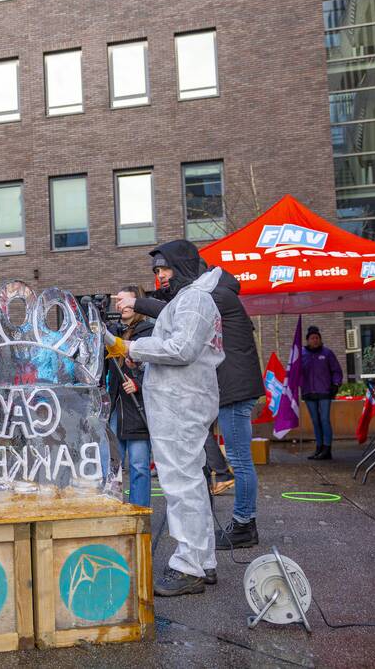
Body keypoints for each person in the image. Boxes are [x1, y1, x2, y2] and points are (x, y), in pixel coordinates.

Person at [124, 248, 265, 550]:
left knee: (239, 459)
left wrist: (136, 304)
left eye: (164, 269)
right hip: (230, 386)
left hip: (233, 388)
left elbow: (180, 330)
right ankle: (238, 523)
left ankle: (244, 522)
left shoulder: (209, 296)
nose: (160, 276)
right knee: (226, 459)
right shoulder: (215, 293)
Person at [110, 240, 224, 596]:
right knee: (189, 483)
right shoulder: (188, 299)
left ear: (182, 267)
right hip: (180, 402)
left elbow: (181, 349)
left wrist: (130, 347)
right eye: (156, 271)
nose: (159, 277)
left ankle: (188, 566)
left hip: (182, 404)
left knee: (181, 486)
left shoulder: (195, 300)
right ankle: (202, 561)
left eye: (163, 269)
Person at [106, 286, 154, 508]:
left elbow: (159, 369)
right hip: (116, 405)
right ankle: (114, 514)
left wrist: (139, 383)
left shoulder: (149, 331)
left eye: (126, 301)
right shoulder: (111, 331)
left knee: (139, 466)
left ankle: (140, 515)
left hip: (138, 407)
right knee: (112, 466)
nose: (121, 305)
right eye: (118, 301)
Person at [301, 326, 343, 460]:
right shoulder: (301, 354)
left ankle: (327, 448)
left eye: (317, 338)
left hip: (324, 391)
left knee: (324, 419)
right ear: (307, 340)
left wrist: (336, 384)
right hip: (308, 392)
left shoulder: (327, 353)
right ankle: (318, 448)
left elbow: (337, 370)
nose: (315, 340)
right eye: (312, 338)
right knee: (315, 420)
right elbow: (294, 371)